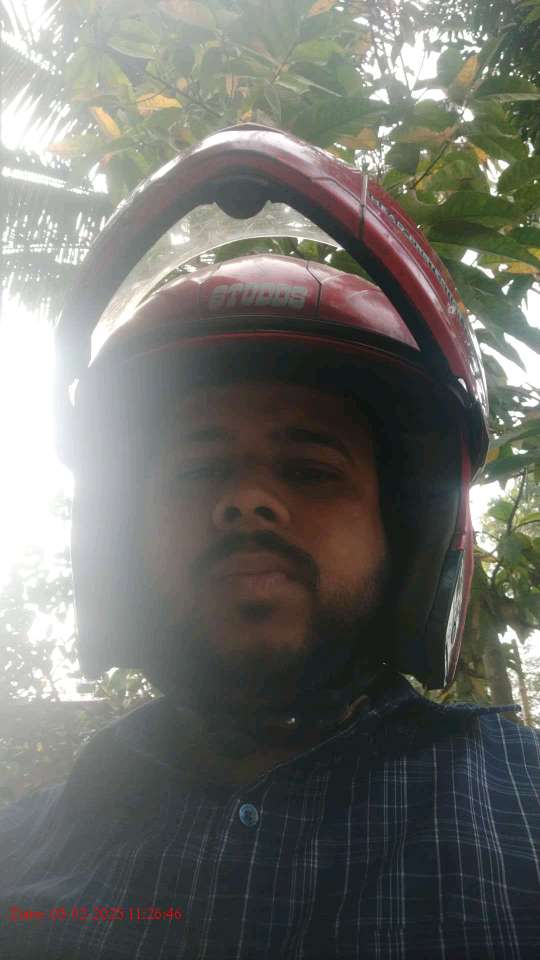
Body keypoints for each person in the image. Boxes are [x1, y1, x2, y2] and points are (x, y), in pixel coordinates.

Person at [1, 125, 539, 960]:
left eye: (311, 470)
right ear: (119, 540)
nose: (247, 500)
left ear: (406, 535)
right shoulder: (19, 856)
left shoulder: (525, 810)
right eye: (199, 470)